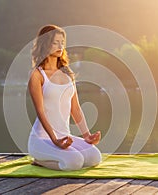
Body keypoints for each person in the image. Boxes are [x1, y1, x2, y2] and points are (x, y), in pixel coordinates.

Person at [28, 24, 102, 171]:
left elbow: (75, 108)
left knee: (94, 157)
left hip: (65, 136)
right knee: (74, 162)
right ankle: (39, 160)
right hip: (42, 139)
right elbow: (40, 112)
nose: (60, 46)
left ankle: (56, 155)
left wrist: (86, 135)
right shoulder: (37, 75)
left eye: (62, 42)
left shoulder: (68, 74)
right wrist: (55, 140)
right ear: (45, 44)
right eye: (55, 42)